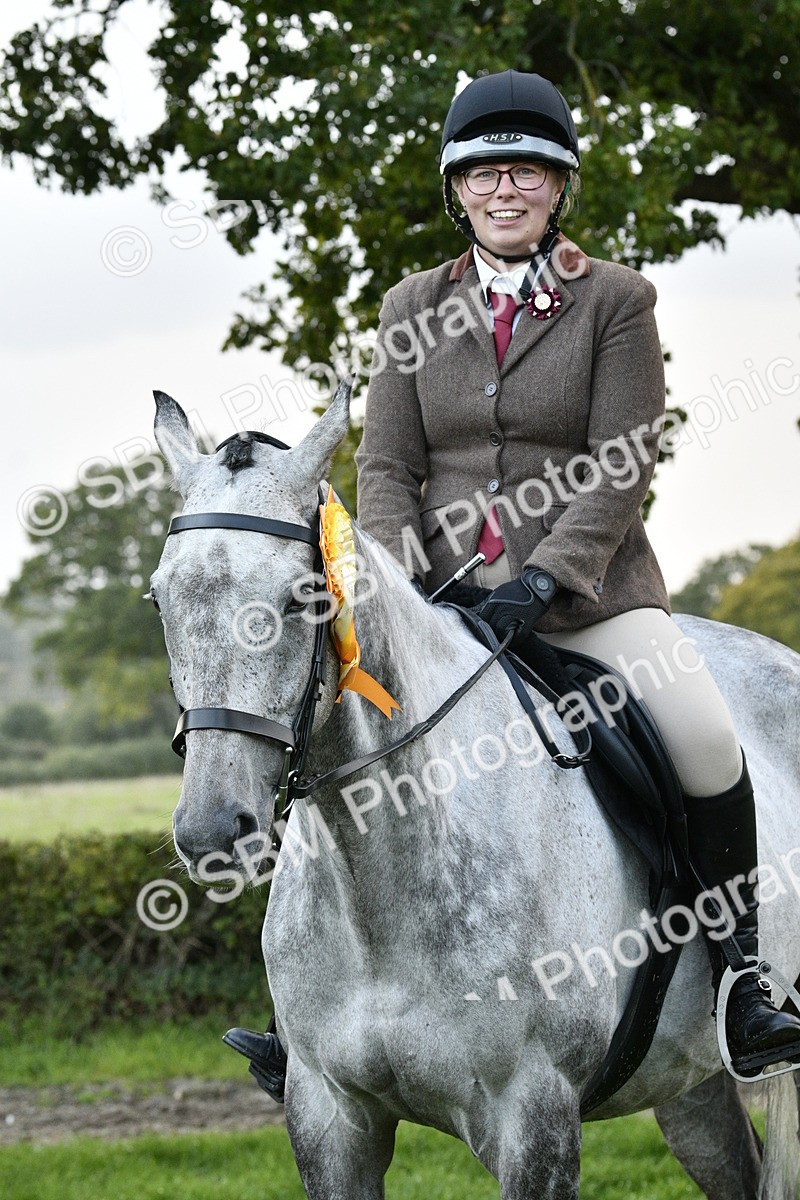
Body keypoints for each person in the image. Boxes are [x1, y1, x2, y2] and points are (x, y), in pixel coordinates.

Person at [225, 69, 800, 1094]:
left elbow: (622, 457)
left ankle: (745, 985)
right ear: (457, 189)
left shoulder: (615, 300)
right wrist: (400, 585)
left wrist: (541, 581)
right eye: (484, 172)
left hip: (587, 603)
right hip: (434, 607)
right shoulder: (410, 306)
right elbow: (388, 469)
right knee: (315, 743)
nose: (504, 188)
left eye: (525, 171)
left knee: (708, 741)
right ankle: (308, 1016)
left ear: (556, 186)